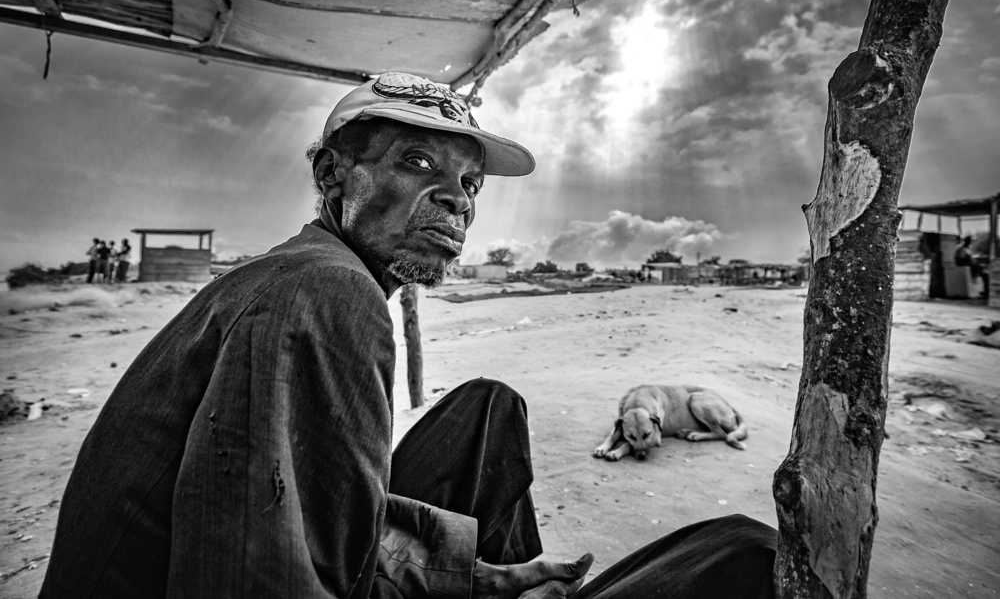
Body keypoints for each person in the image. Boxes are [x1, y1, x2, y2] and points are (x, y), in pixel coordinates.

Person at [40, 72, 776, 599]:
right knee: (743, 555)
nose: (456, 198)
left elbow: (311, 509)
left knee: (487, 405)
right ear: (335, 174)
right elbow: (248, 568)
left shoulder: (318, 273)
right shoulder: (324, 292)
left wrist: (470, 573)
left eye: (470, 182)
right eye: (418, 162)